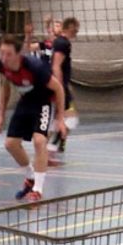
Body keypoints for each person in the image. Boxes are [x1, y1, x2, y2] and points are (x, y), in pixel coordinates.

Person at [0, 33, 68, 203]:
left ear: (18, 54)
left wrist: (60, 118)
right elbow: (5, 87)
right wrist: (0, 114)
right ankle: (30, 177)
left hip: (42, 102)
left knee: (39, 141)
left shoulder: (35, 68)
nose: (4, 57)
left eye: (8, 54)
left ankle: (38, 190)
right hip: (25, 102)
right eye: (1, 53)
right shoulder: (2, 66)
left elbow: (59, 89)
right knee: (10, 144)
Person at [49, 17, 80, 154]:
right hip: (58, 85)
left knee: (60, 118)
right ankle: (50, 147)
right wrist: (60, 87)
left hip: (60, 84)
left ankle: (52, 149)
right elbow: (56, 66)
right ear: (70, 27)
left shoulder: (59, 42)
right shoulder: (63, 43)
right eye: (76, 28)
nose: (77, 31)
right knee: (71, 119)